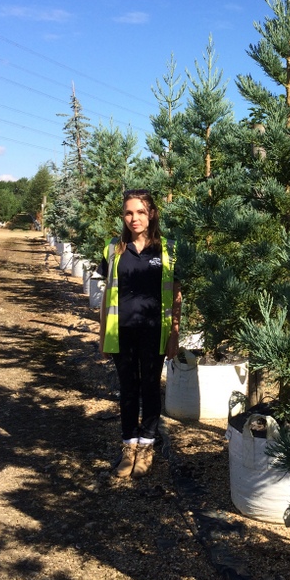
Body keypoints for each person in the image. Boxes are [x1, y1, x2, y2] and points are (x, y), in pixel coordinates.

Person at [98, 188, 181, 478]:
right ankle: (128, 447)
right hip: (120, 332)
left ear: (153, 214)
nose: (135, 218)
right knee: (128, 390)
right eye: (129, 212)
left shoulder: (168, 249)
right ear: (123, 215)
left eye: (141, 211)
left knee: (150, 388)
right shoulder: (114, 248)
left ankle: (147, 447)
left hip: (154, 333)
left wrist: (174, 334)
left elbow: (177, 296)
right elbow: (107, 291)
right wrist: (101, 335)